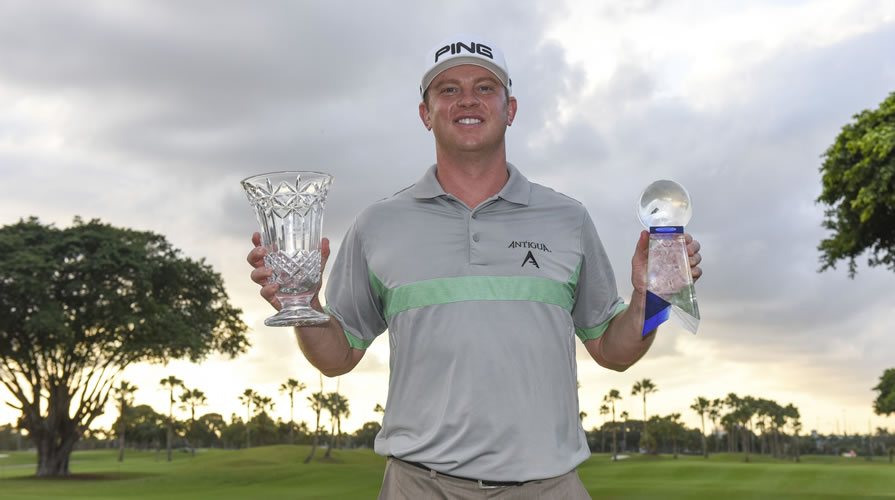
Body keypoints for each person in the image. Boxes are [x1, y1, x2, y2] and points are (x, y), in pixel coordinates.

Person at [248, 34, 703, 499]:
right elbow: (336, 357)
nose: (467, 99)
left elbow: (613, 351)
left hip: (547, 487)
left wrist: (652, 298)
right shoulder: (377, 224)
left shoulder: (569, 218)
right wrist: (304, 304)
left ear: (511, 109)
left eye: (485, 87)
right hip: (418, 487)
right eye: (448, 89)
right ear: (426, 113)